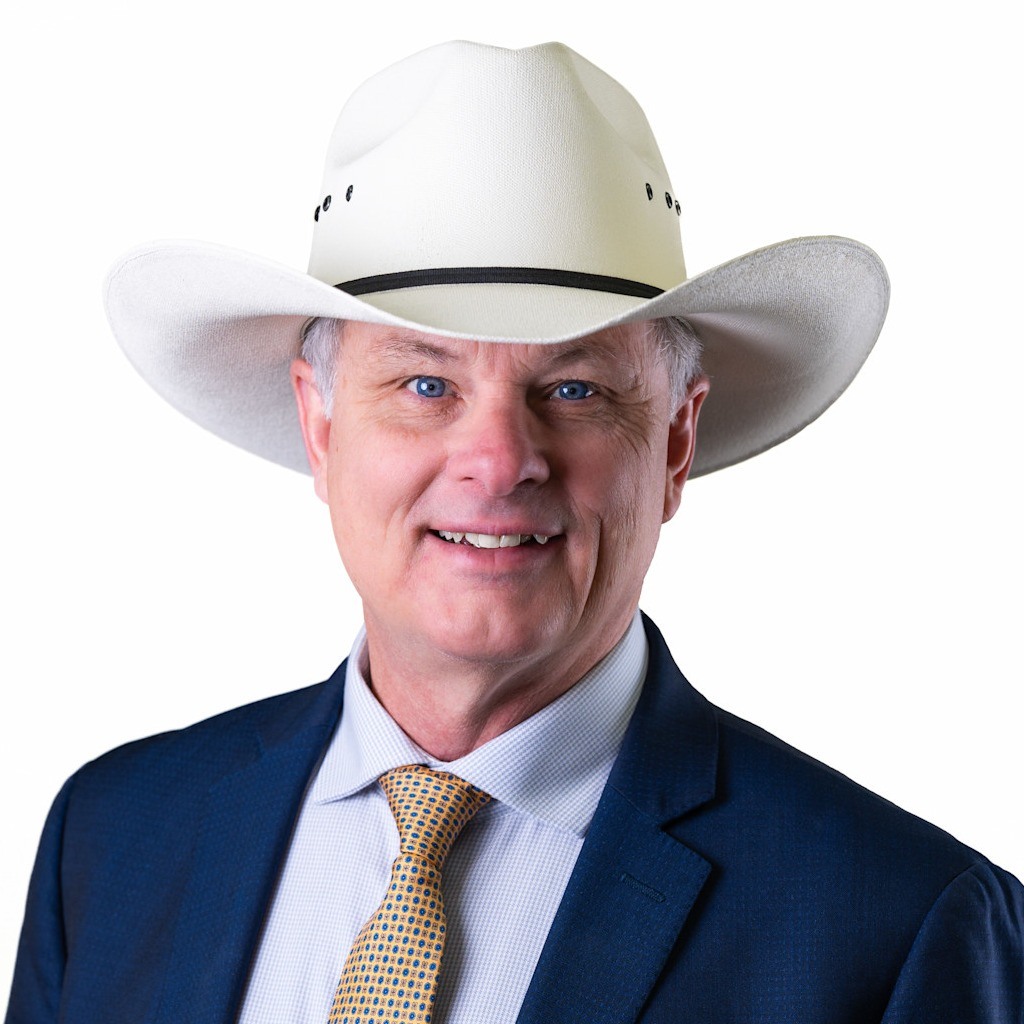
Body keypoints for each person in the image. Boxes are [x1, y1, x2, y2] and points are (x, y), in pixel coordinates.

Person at [6, 40, 1021, 1024]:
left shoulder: (898, 926)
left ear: (675, 441)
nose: (497, 462)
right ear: (320, 426)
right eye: (425, 384)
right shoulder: (111, 839)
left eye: (574, 389)